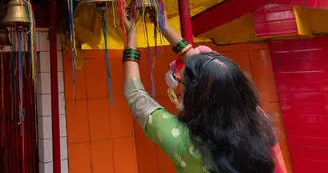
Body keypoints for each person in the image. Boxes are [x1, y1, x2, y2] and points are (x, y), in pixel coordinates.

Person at [123, 13, 287, 173]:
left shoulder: (184, 142)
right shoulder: (259, 122)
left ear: (195, 96)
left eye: (182, 81)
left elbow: (136, 95)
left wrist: (131, 35)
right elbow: (206, 70)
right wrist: (165, 28)